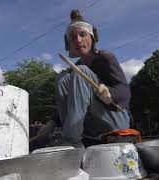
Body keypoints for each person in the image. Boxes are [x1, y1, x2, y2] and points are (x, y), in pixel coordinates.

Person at [55, 10, 133, 147]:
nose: (78, 40)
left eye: (83, 34)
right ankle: (73, 136)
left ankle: (71, 141)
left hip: (114, 118)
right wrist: (51, 123)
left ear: (91, 38)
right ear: (70, 44)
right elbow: (73, 102)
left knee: (81, 72)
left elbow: (125, 92)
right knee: (62, 79)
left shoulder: (105, 58)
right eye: (73, 38)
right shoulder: (75, 68)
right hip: (92, 125)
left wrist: (109, 92)